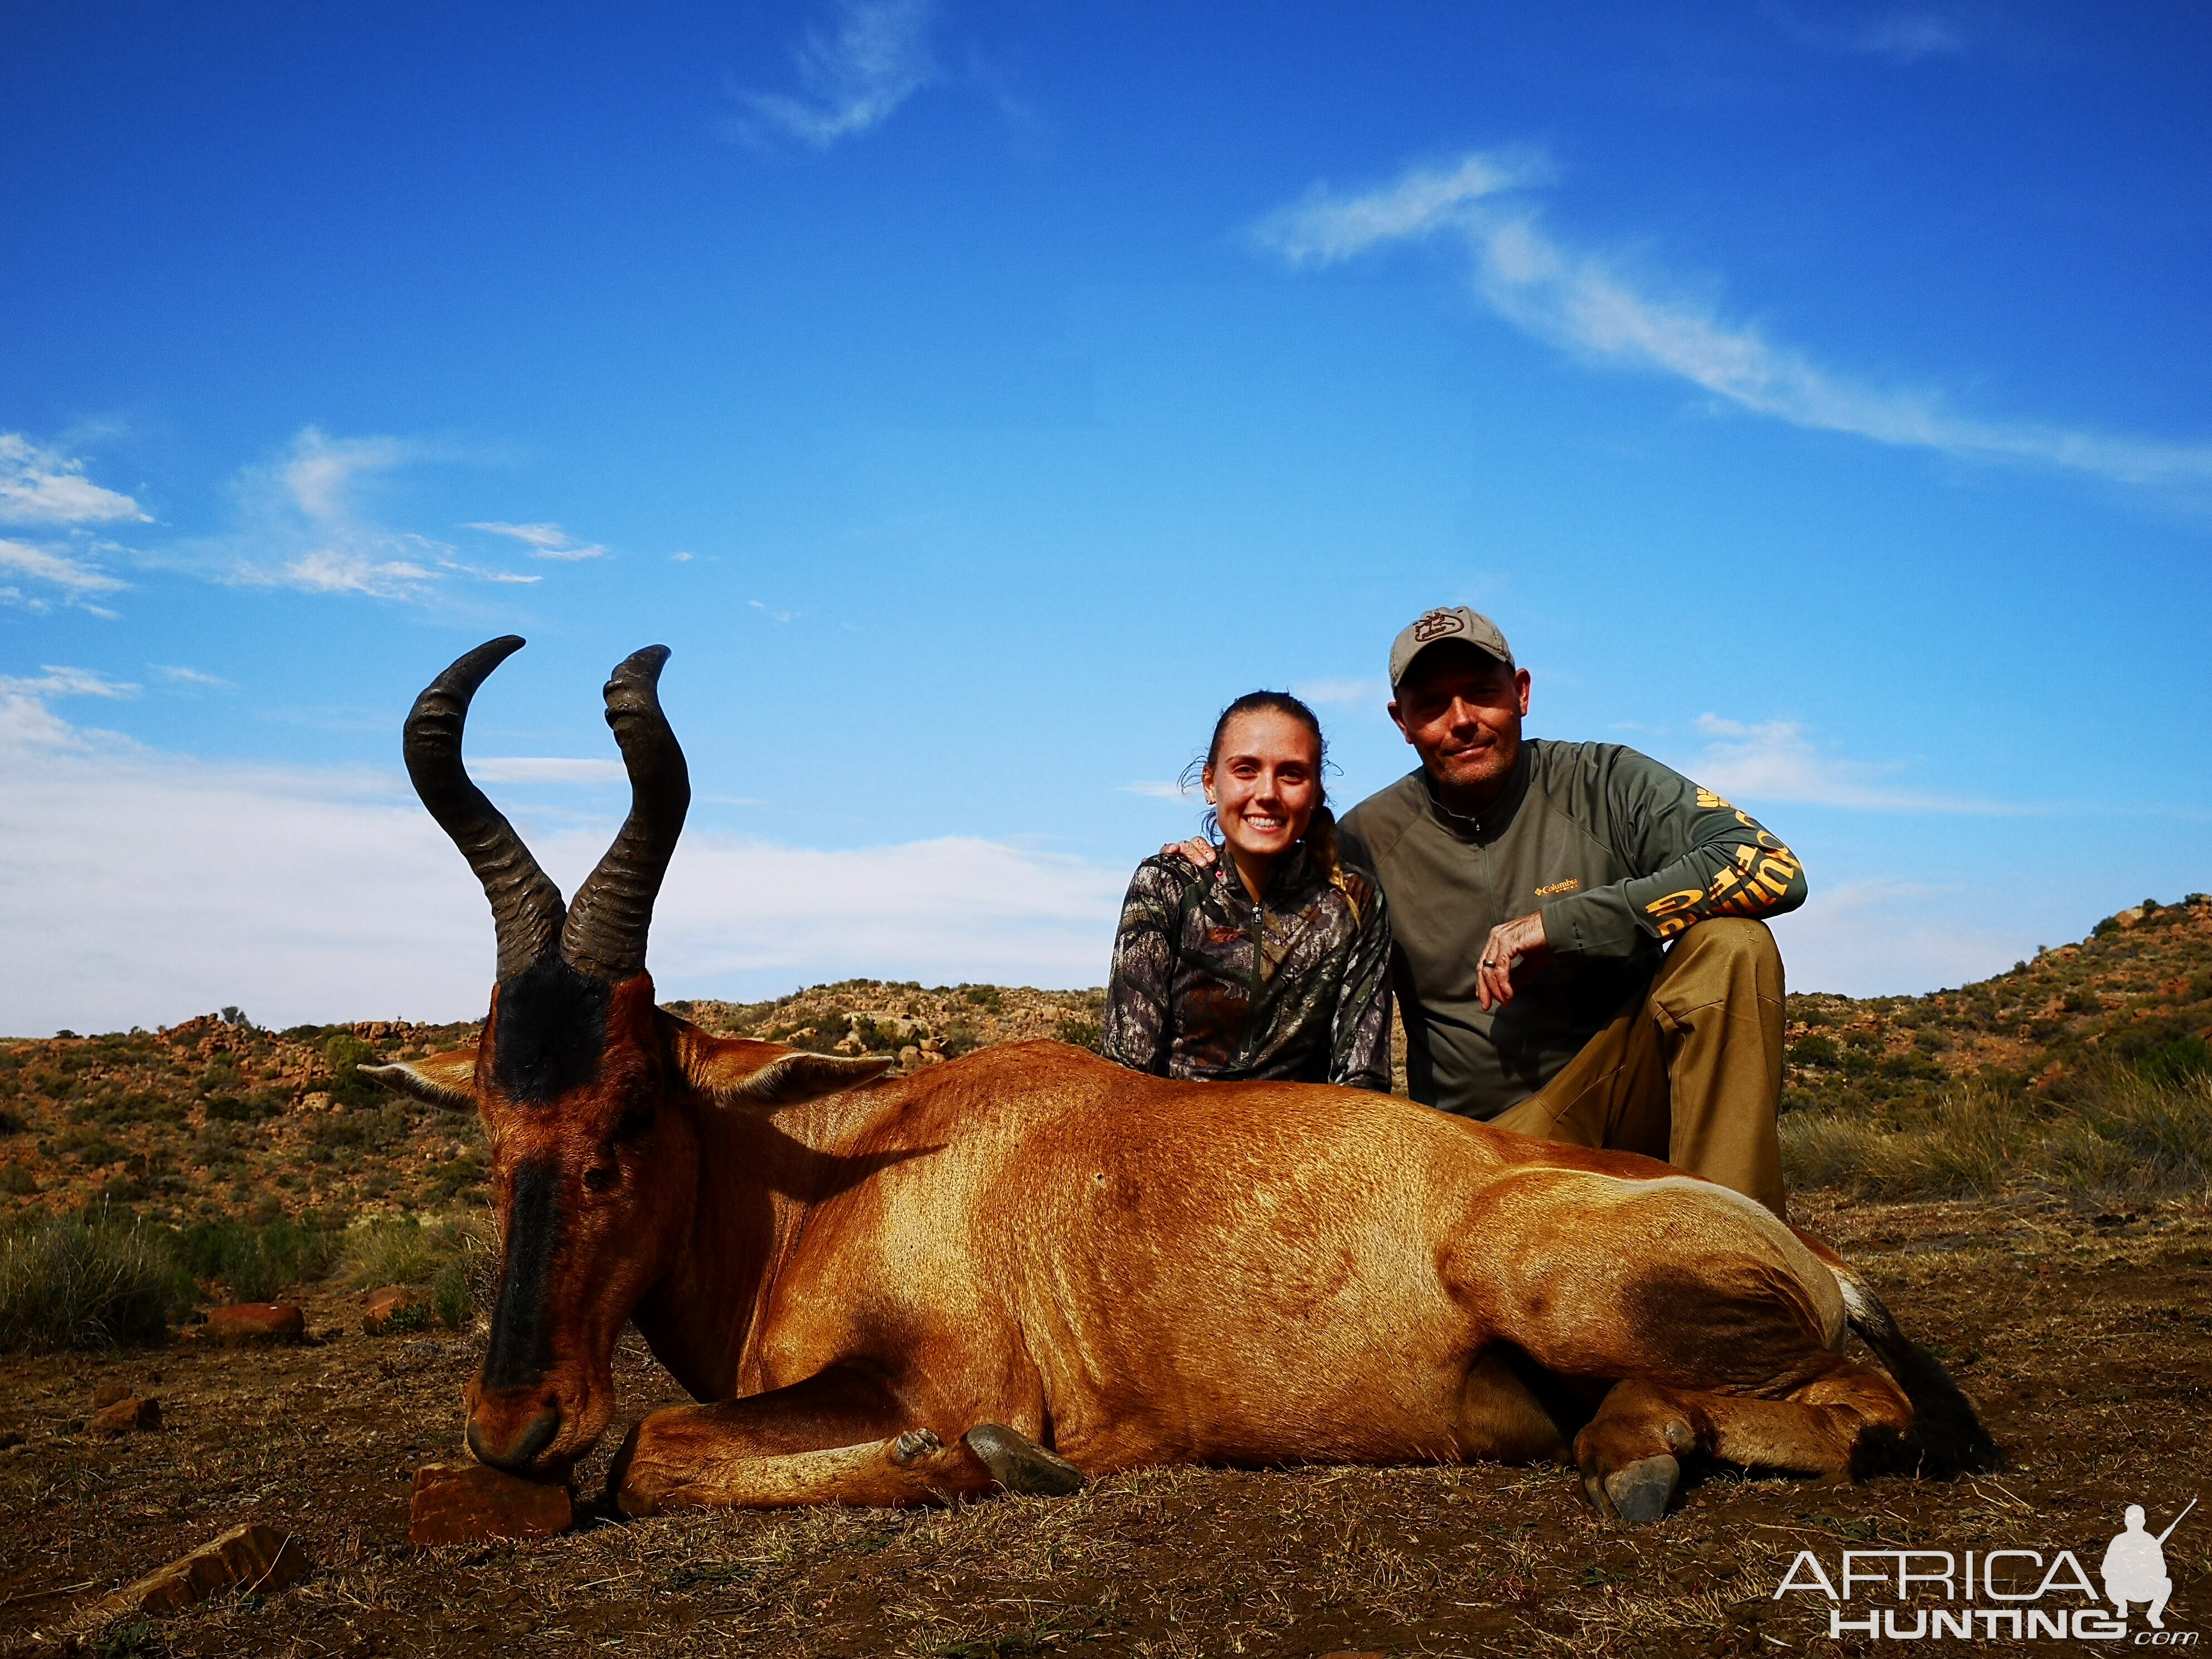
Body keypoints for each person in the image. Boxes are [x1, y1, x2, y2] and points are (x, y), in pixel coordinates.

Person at [1172, 607, 1806, 1214]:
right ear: (1401, 721)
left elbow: (1770, 865)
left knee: (1732, 946)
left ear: (1521, 692)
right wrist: (1204, 863)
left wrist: (1562, 926)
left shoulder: (1605, 781)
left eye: (1480, 692)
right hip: (1487, 1150)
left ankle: (1737, 1266)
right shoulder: (1362, 842)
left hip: (1629, 1092)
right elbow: (1267, 876)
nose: (1462, 720)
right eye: (1431, 705)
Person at [1102, 691, 1393, 1090]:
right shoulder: (1165, 885)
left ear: (1316, 793)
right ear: (1210, 783)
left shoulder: (1354, 901)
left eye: (1292, 773)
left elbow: (1363, 1083)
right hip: (1174, 1138)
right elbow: (1125, 1073)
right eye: (1246, 770)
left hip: (1306, 1141)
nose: (1268, 793)